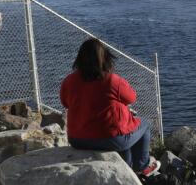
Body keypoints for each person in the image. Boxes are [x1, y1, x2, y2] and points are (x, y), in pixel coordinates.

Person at [59, 36, 160, 177]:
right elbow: (132, 97)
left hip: (77, 138)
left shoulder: (68, 81)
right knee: (144, 124)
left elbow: (65, 102)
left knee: (123, 136)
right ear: (104, 58)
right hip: (109, 139)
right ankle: (142, 166)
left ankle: (128, 169)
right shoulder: (112, 80)